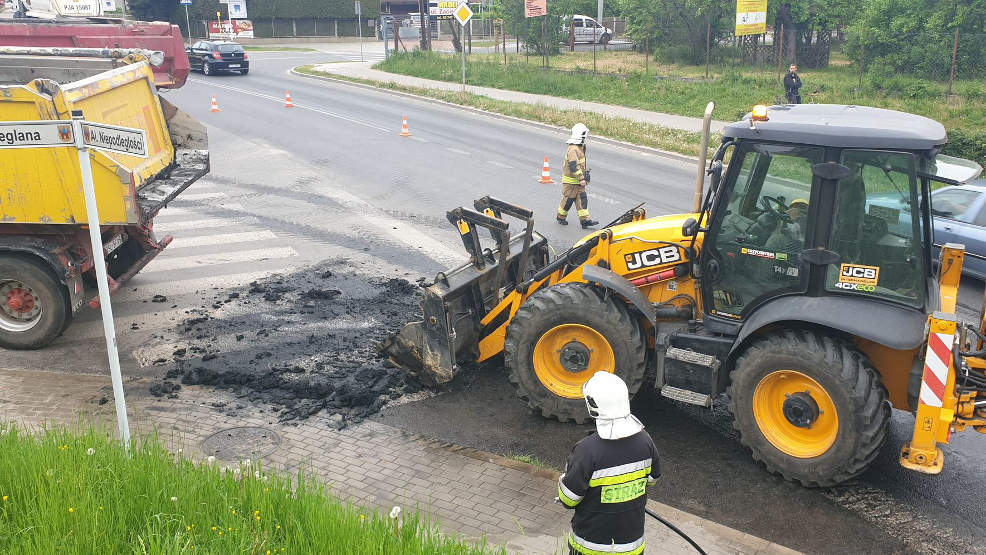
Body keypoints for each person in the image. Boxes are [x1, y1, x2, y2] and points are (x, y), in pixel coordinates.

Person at [557, 372, 660, 555]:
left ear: (592, 405)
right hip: (632, 547)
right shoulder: (646, 441)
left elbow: (568, 499)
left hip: (589, 547)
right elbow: (651, 479)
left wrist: (564, 477)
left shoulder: (586, 450)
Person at [558, 123, 599, 229]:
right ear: (581, 134)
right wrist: (581, 178)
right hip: (571, 182)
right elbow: (573, 166)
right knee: (568, 201)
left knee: (582, 200)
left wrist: (584, 176)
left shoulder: (580, 147)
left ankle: (585, 220)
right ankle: (561, 217)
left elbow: (580, 164)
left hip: (579, 181)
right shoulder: (573, 149)